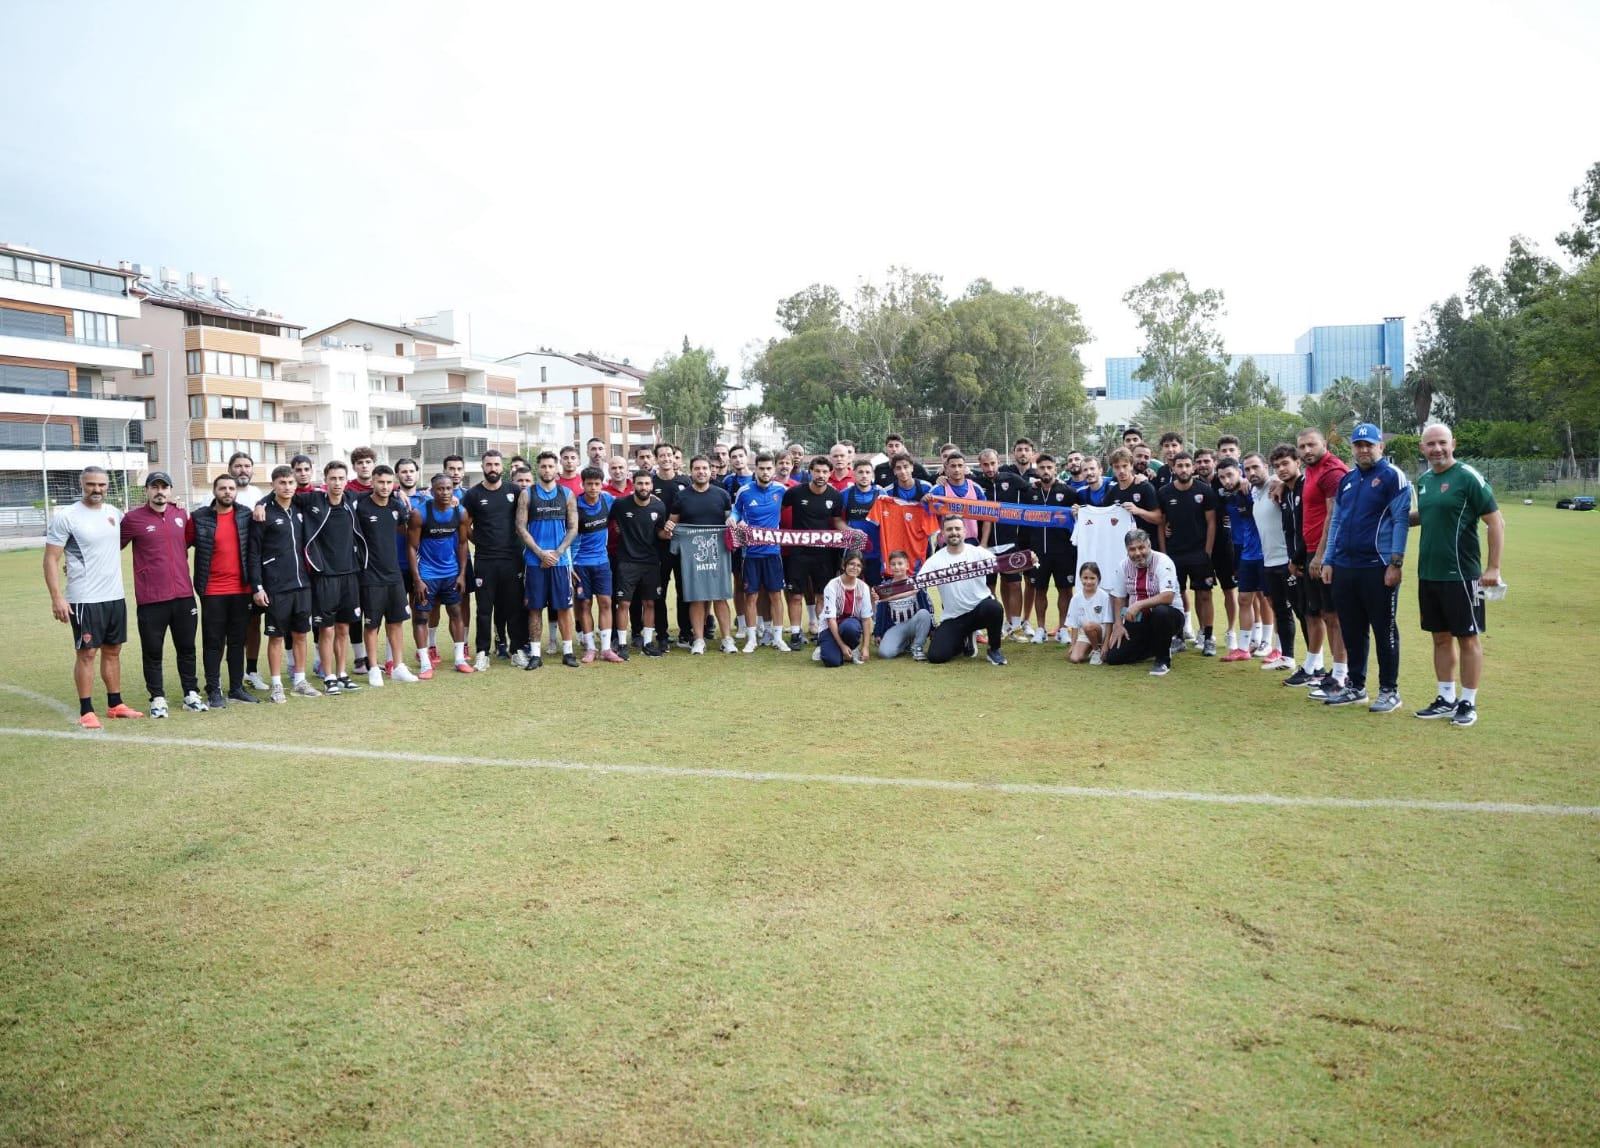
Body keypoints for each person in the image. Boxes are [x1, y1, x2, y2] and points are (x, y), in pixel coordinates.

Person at [1409, 422, 1504, 727]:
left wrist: (1493, 568)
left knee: (1468, 638)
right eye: (1430, 444)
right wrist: (1387, 516)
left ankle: (1468, 702)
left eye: (1442, 443)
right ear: (1422, 449)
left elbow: (1496, 522)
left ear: (1453, 444)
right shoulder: (1423, 481)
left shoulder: (1467, 477)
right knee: (1439, 638)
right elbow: (1426, 515)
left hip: (1462, 575)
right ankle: (1445, 698)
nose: (1437, 449)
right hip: (1429, 574)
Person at [1320, 424, 1411, 712]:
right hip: (1345, 567)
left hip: (1378, 566)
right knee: (1352, 629)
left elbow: (1401, 521)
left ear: (1380, 447)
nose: (1363, 450)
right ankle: (1355, 686)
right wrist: (1328, 560)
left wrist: (1396, 562)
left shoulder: (1392, 477)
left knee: (1384, 630)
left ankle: (1389, 691)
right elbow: (1336, 522)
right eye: (1358, 445)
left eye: (1369, 445)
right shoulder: (1347, 479)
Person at [44, 466, 143, 727]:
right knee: (87, 653)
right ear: (81, 485)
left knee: (113, 650)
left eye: (101, 485)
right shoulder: (67, 517)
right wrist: (57, 598)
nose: (96, 489)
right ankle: (86, 710)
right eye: (91, 484)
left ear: (108, 486)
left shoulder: (114, 514)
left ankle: (115, 704)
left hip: (114, 595)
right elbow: (51, 559)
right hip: (84, 597)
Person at [121, 472, 205, 716]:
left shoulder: (181, 514)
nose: (160, 491)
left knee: (187, 648)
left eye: (164, 487)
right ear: (146, 490)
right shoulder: (132, 519)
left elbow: (187, 542)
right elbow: (110, 546)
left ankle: (191, 693)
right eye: (154, 487)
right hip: (151, 599)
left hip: (183, 595)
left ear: (170, 490)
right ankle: (157, 698)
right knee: (153, 651)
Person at [248, 465, 320, 701]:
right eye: (282, 483)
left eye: (290, 483)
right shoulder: (263, 512)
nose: (287, 487)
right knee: (276, 636)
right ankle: (277, 684)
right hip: (276, 585)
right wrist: (257, 586)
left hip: (302, 584)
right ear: (274, 485)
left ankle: (299, 680)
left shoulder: (301, 505)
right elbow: (254, 554)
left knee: (301, 634)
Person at [349, 465, 420, 686]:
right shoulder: (360, 505)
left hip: (394, 574)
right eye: (381, 482)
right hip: (370, 576)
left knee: (397, 621)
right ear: (373, 482)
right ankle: (373, 668)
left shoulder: (397, 506)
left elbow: (404, 529)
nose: (385, 487)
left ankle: (398, 666)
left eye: (389, 483)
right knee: (371, 625)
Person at [191, 474, 258, 707]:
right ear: (214, 491)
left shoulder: (245, 515)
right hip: (212, 591)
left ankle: (236, 688)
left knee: (238, 641)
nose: (227, 492)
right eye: (222, 488)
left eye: (231, 488)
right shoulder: (199, 518)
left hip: (241, 589)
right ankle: (213, 689)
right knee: (213, 642)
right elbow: (179, 541)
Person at [665, 455, 737, 654]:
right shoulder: (682, 496)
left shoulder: (721, 494)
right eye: (697, 468)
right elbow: (673, 525)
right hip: (692, 556)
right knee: (696, 598)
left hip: (718, 554)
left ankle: (727, 639)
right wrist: (670, 527)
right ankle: (698, 639)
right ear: (691, 471)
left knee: (720, 597)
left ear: (710, 470)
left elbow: (729, 518)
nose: (701, 472)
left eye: (705, 468)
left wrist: (732, 520)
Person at [1300, 428, 1352, 700]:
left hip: (1328, 553)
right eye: (1302, 446)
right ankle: (1335, 671)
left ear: (1324, 444)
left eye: (1311, 445)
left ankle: (1342, 675)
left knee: (1335, 616)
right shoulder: (1312, 469)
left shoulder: (1332, 471)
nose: (1307, 450)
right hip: (1312, 550)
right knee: (1325, 614)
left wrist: (1321, 556)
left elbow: (1334, 516)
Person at [461, 449, 524, 671]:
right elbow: (464, 524)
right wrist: (479, 541)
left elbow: (523, 521)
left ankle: (517, 651)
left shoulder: (513, 491)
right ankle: (482, 653)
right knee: (484, 609)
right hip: (486, 560)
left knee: (514, 607)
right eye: (489, 465)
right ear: (482, 467)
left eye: (497, 465)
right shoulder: (473, 494)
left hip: (511, 559)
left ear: (502, 467)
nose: (493, 469)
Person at [516, 450, 580, 668]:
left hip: (560, 562)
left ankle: (568, 651)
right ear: (538, 469)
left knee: (563, 607)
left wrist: (558, 553)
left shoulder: (567, 494)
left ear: (557, 469)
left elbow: (573, 528)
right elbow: (520, 527)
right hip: (535, 562)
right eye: (543, 466)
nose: (547, 470)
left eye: (550, 466)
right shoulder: (528, 494)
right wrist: (541, 553)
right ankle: (535, 654)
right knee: (534, 608)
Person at [408, 472, 473, 677]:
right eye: (440, 489)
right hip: (427, 574)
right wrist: (417, 579)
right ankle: (426, 663)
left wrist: (462, 574)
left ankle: (459, 659)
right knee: (422, 617)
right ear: (432, 491)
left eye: (448, 489)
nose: (445, 492)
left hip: (451, 573)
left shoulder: (460, 513)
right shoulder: (420, 514)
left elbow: (463, 544)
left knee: (456, 613)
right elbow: (411, 547)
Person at [1156, 452, 1219, 656]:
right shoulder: (1164, 492)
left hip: (1199, 553)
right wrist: (1165, 554)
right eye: (1179, 466)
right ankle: (1178, 637)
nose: (1183, 469)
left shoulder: (1205, 491)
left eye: (1187, 465)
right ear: (1172, 468)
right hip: (1175, 554)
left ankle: (1208, 637)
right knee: (1175, 597)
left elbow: (1211, 523)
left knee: (1204, 594)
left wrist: (1207, 552)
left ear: (1192, 468)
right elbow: (1161, 524)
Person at [922, 516, 1007, 665]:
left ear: (965, 531)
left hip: (979, 610)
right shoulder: (935, 560)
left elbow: (1006, 565)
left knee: (994, 608)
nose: (954, 532)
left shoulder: (978, 553)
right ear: (942, 533)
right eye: (949, 529)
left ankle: (994, 649)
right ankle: (964, 640)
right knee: (936, 656)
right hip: (954, 617)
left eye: (957, 529)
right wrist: (885, 595)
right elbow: (916, 585)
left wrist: (1027, 560)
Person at [781, 457, 847, 649]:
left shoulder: (835, 496)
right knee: (795, 595)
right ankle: (795, 633)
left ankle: (822, 632)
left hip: (823, 554)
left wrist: (851, 532)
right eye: (817, 471)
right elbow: (778, 511)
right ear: (810, 472)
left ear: (830, 473)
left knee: (821, 595)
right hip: (798, 553)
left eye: (825, 472)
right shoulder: (795, 492)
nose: (821, 475)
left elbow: (837, 521)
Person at [1103, 529, 1184, 676]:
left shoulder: (1163, 561)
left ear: (1149, 545)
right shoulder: (1123, 566)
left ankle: (1163, 660)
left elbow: (1168, 596)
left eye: (1141, 547)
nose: (1138, 553)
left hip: (1170, 617)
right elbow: (1119, 597)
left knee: (1160, 611)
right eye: (1132, 549)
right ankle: (1156, 646)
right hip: (1139, 618)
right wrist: (1119, 625)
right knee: (1113, 658)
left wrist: (1138, 604)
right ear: (1127, 550)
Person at [607, 471, 669, 658]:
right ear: (633, 484)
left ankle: (648, 643)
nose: (643, 487)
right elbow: (607, 520)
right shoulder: (620, 504)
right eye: (640, 483)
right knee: (623, 603)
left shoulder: (659, 506)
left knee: (649, 602)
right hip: (626, 561)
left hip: (651, 561)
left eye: (647, 483)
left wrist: (665, 534)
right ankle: (623, 644)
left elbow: (659, 531)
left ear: (651, 486)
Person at [733, 453, 792, 652]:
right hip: (750, 554)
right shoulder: (745, 491)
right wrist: (733, 519)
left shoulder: (781, 490)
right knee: (751, 596)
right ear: (755, 469)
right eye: (762, 468)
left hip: (773, 553)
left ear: (773, 469)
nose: (765, 472)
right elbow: (736, 511)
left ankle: (777, 637)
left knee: (776, 595)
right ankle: (751, 639)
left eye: (769, 468)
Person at [1247, 450, 1299, 672]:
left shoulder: (1278, 486)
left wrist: (1280, 483)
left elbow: (1290, 484)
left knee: (1305, 613)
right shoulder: (1254, 492)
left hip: (1288, 561)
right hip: (1269, 562)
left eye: (1255, 467)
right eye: (1247, 469)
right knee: (1280, 610)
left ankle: (1315, 663)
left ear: (1266, 468)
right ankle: (1287, 657)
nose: (1251, 472)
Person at [1023, 453, 1078, 644]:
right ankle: (1040, 629)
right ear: (1037, 470)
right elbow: (1023, 522)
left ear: (1055, 469)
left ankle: (1064, 628)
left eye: (1049, 467)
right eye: (1042, 468)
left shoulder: (1069, 492)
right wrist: (1026, 549)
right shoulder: (1031, 493)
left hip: (1064, 551)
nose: (1045, 471)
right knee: (1040, 589)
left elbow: (1079, 520)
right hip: (1038, 552)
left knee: (1065, 590)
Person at [1214, 457, 1265, 662]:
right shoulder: (1226, 496)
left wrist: (1248, 481)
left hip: (1262, 551)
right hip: (1240, 551)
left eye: (1230, 475)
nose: (1226, 480)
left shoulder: (1251, 490)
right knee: (1245, 598)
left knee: (1266, 598)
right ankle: (1243, 647)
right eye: (1222, 477)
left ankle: (1268, 643)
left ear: (1240, 472)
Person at [975, 449, 1030, 636]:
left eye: (993, 463)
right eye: (985, 464)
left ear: (998, 462)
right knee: (989, 587)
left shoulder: (1012, 479)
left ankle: (1014, 626)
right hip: (985, 545)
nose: (990, 468)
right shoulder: (975, 483)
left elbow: (1033, 493)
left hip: (1010, 542)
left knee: (1014, 584)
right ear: (980, 464)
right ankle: (994, 625)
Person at [572, 467, 622, 663]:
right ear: (582, 485)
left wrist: (653, 500)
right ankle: (590, 648)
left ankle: (607, 648)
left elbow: (630, 504)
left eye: (597, 484)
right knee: (584, 604)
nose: (593, 488)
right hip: (579, 563)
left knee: (606, 602)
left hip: (602, 562)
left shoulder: (608, 500)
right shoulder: (574, 505)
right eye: (589, 484)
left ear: (602, 484)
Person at [815, 551, 874, 666]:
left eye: (858, 565)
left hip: (849, 626)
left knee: (850, 627)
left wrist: (865, 647)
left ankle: (852, 648)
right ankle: (829, 647)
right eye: (851, 564)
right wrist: (841, 646)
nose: (854, 568)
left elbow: (866, 619)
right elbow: (830, 619)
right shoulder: (832, 586)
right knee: (832, 661)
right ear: (844, 565)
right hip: (830, 628)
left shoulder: (863, 587)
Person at [873, 550, 933, 660]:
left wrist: (932, 628)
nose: (897, 567)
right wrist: (878, 633)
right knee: (885, 653)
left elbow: (928, 606)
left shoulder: (915, 583)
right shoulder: (885, 587)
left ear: (907, 566)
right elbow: (880, 613)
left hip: (913, 624)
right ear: (890, 567)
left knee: (924, 613)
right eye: (893, 564)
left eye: (900, 563)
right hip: (896, 627)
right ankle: (904, 644)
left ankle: (917, 647)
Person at [840, 458, 885, 585]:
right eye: (860, 472)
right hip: (853, 551)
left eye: (867, 472)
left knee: (875, 589)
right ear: (854, 474)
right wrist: (851, 531)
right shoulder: (845, 494)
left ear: (872, 475)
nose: (864, 475)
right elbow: (837, 520)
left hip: (876, 551)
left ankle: (874, 606)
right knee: (852, 587)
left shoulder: (881, 494)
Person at [930, 453, 989, 547]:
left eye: (960, 466)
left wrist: (984, 542)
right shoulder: (938, 489)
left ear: (965, 468)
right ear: (946, 468)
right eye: (953, 466)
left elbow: (988, 516)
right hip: (947, 541)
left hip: (971, 541)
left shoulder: (975, 488)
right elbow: (928, 516)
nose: (957, 469)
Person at [1066, 561, 1112, 665]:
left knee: (1088, 626)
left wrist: (1106, 644)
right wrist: (1073, 644)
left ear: (1098, 578)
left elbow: (1109, 623)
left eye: (1092, 578)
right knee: (1075, 658)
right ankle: (1092, 647)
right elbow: (1074, 625)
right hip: (1085, 632)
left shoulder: (1104, 596)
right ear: (1080, 578)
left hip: (1101, 631)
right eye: (1085, 578)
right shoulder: (1076, 598)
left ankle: (1097, 650)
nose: (1088, 582)